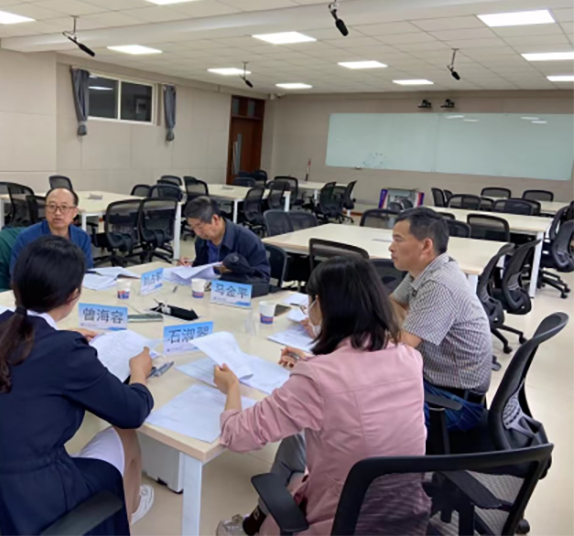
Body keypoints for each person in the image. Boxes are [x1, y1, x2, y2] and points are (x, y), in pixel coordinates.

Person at [0, 237, 155, 535]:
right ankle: (127, 512)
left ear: (16, 284)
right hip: (28, 504)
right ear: (74, 294)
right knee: (125, 433)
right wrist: (139, 373)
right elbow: (132, 411)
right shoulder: (66, 352)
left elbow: (20, 351)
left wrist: (57, 334)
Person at [214, 257, 427, 536]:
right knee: (297, 443)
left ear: (321, 305)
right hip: (404, 514)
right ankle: (253, 522)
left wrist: (231, 388)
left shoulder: (318, 377)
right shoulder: (409, 358)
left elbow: (237, 436)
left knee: (296, 450)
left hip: (344, 523)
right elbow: (357, 380)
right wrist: (316, 362)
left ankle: (252, 526)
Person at [389, 207, 493, 432]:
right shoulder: (424, 270)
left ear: (426, 246)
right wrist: (409, 324)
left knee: (364, 407)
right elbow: (393, 303)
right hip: (436, 384)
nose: (391, 247)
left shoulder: (439, 283)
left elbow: (400, 348)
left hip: (453, 403)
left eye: (398, 240)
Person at [180, 196, 270, 286]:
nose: (197, 233)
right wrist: (189, 267)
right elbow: (202, 268)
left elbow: (263, 279)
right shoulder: (202, 240)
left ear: (215, 219)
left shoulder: (247, 241)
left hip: (235, 291)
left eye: (200, 227)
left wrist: (235, 272)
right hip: (209, 290)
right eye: (193, 227)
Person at [9, 188, 93, 277]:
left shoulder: (82, 238)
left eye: (64, 207)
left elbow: (87, 273)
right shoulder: (26, 238)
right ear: (45, 209)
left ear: (75, 212)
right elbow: (16, 275)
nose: (57, 213)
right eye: (52, 206)